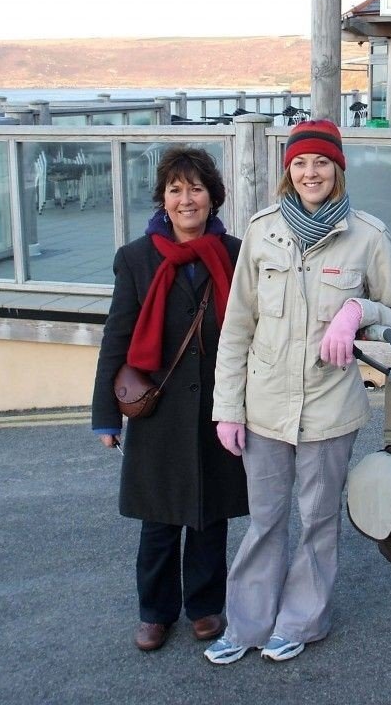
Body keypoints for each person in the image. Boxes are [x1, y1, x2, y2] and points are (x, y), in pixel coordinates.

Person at [205, 120, 391, 664]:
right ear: (288, 171)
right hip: (264, 407)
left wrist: (357, 311)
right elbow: (237, 327)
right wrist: (227, 410)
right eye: (300, 163)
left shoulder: (367, 236)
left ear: (337, 169)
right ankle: (246, 624)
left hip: (329, 409)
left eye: (320, 162)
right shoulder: (262, 230)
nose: (310, 172)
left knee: (319, 520)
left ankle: (302, 618)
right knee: (265, 519)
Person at [91, 145, 248, 652]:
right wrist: (104, 415)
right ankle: (155, 612)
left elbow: (256, 331)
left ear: (212, 198)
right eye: (176, 189)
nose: (186, 199)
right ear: (162, 198)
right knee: (158, 520)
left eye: (196, 189)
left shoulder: (236, 254)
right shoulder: (136, 259)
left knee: (210, 515)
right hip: (157, 410)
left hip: (218, 406)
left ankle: (205, 606)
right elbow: (117, 337)